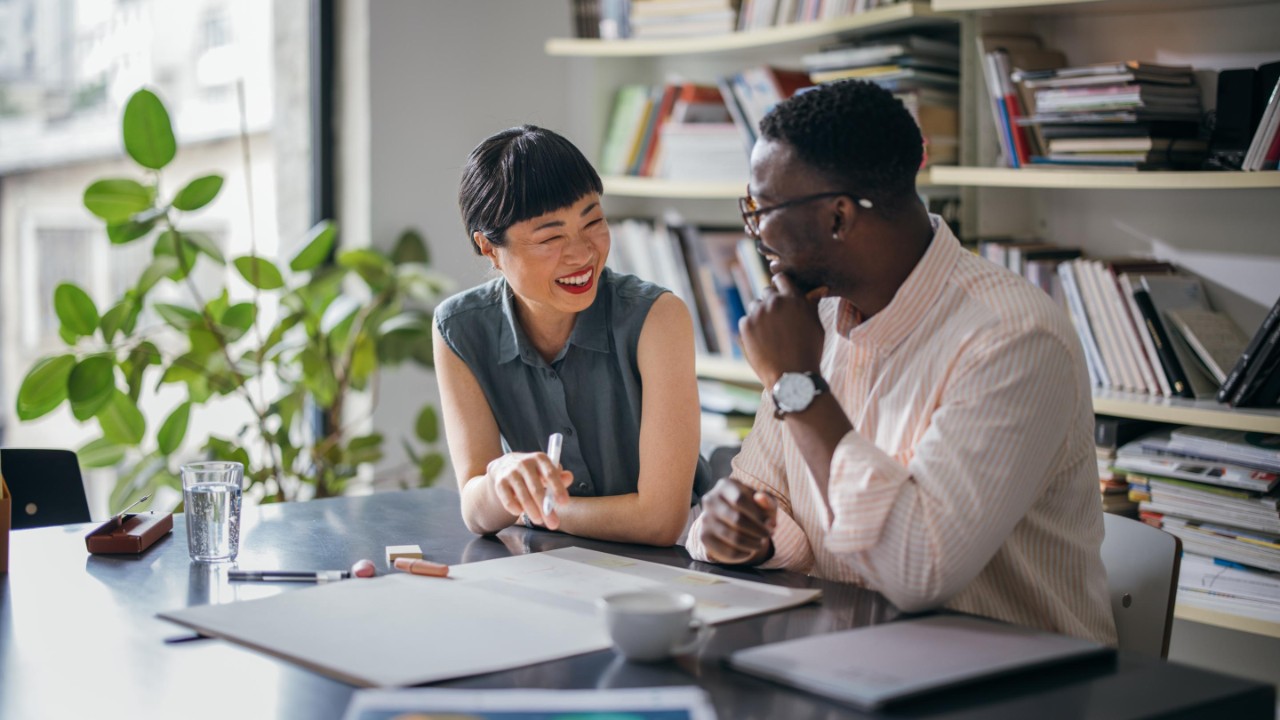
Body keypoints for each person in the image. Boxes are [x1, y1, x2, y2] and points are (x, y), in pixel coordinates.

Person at [686, 81, 1117, 645]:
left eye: (762, 209)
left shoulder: (1012, 339)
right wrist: (748, 534)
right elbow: (775, 502)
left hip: (1009, 684)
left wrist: (798, 385)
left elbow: (919, 569)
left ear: (839, 217)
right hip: (854, 654)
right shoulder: (812, 319)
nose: (757, 235)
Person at [435, 125, 712, 546]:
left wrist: (532, 510)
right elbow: (475, 509)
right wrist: (499, 481)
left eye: (593, 221)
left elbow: (660, 521)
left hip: (676, 560)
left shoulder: (658, 318)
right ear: (490, 248)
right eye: (550, 237)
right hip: (553, 562)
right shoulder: (459, 327)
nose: (583, 253)